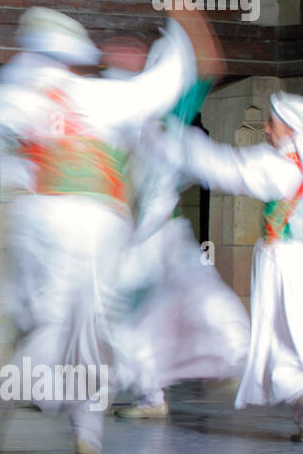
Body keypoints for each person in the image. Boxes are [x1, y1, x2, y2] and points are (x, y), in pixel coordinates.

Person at [0, 2, 220, 454]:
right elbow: (159, 88)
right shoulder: (98, 95)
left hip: (41, 219)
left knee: (49, 319)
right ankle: (85, 433)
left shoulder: (18, 95)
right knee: (92, 327)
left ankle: (15, 391)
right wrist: (185, 31)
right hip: (98, 221)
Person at [168, 43, 303, 442]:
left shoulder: (271, 166)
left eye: (271, 123)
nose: (265, 128)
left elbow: (222, 167)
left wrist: (173, 139)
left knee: (274, 336)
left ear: (285, 127)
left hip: (283, 261)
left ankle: (301, 392)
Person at [98, 38, 249, 419]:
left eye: (127, 52)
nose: (116, 55)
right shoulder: (109, 106)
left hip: (163, 232)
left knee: (197, 291)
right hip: (126, 237)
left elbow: (210, 67)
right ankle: (151, 397)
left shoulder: (166, 111)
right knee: (122, 317)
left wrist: (188, 18)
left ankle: (233, 358)